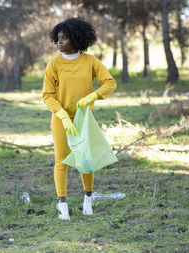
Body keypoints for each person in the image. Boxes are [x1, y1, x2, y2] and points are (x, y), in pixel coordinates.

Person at [42, 17, 117, 220]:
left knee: (86, 161)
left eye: (64, 38)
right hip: (61, 119)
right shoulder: (54, 64)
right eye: (58, 38)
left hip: (84, 119)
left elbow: (109, 83)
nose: (59, 42)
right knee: (61, 161)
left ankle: (88, 200)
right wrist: (63, 115)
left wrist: (93, 96)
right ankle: (62, 205)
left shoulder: (90, 61)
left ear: (76, 38)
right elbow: (47, 95)